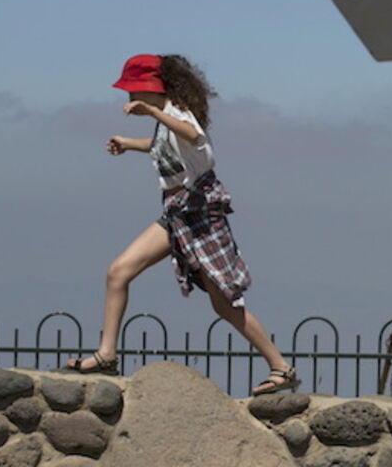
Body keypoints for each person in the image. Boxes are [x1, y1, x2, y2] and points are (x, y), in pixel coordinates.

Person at [64, 54, 299, 396]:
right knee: (118, 272)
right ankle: (106, 355)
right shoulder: (165, 119)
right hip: (176, 212)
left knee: (224, 302)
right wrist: (130, 144)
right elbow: (165, 146)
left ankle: (281, 368)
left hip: (200, 212)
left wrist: (155, 113)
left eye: (133, 92)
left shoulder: (177, 112)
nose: (129, 99)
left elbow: (192, 135)